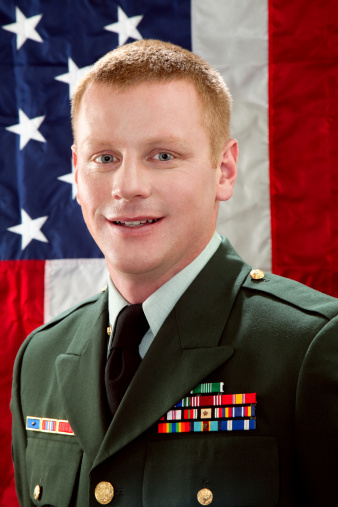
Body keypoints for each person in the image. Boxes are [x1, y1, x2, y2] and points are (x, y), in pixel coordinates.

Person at [11, 39, 338, 507]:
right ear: (77, 174)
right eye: (104, 158)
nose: (127, 187)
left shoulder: (310, 347)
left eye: (162, 155)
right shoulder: (40, 360)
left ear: (224, 170)